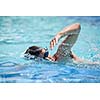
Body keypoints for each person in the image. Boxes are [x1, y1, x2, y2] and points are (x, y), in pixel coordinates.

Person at [24, 23, 99, 64]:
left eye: (47, 53)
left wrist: (59, 35)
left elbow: (77, 27)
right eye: (45, 57)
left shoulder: (60, 55)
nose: (48, 57)